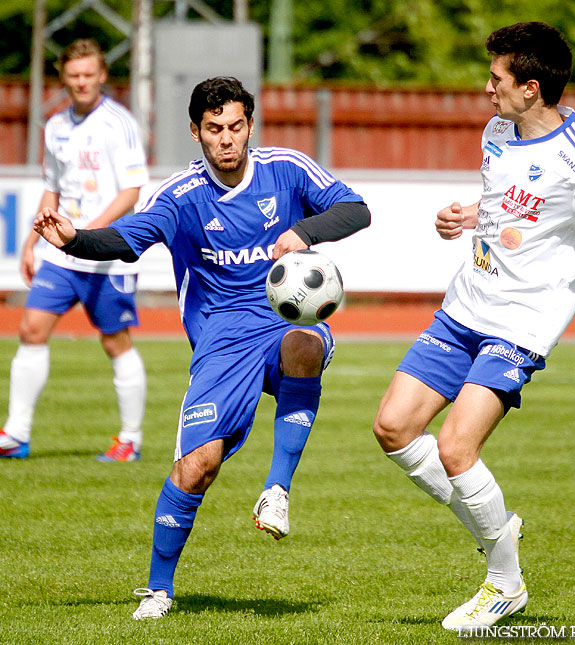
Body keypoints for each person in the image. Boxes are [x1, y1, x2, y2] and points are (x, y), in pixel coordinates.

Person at [34, 76, 371, 619]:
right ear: (196, 132)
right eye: (214, 129)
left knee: (305, 341)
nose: (227, 139)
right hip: (219, 341)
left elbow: (356, 210)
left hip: (280, 323)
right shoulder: (180, 196)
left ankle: (277, 489)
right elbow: (127, 239)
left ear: (250, 126)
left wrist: (304, 232)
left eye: (236, 127)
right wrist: (75, 239)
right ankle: (159, 590)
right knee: (195, 469)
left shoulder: (286, 168)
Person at [372, 22, 575, 634]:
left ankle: (504, 584)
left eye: (496, 78)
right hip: (465, 305)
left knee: (454, 448)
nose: (487, 87)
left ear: (531, 87)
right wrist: (467, 216)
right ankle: (495, 525)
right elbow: (508, 203)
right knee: (392, 428)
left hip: (523, 321)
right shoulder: (498, 130)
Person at [0, 39, 148, 462]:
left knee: (114, 341)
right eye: (73, 75)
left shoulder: (120, 124)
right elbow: (53, 188)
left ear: (102, 75)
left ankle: (130, 439)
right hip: (61, 254)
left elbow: (132, 191)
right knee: (31, 329)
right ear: (63, 78)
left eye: (89, 74)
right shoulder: (55, 126)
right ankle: (16, 433)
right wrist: (32, 241)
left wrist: (88, 235)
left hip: (106, 254)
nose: (81, 82)